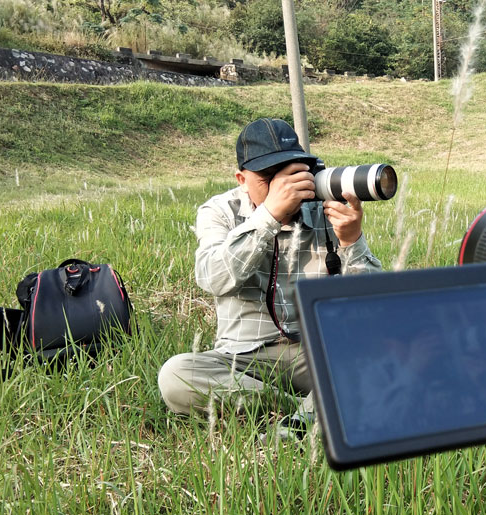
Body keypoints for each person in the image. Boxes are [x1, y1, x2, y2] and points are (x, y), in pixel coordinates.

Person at [158, 118, 382, 430]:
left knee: (383, 350)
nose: (285, 186)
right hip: (244, 357)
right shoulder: (220, 210)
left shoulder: (325, 206)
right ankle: (307, 412)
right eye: (269, 178)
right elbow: (212, 278)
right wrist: (269, 216)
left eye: (291, 172)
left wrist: (351, 239)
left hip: (318, 351)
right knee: (176, 376)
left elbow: (372, 301)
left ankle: (306, 415)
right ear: (241, 178)